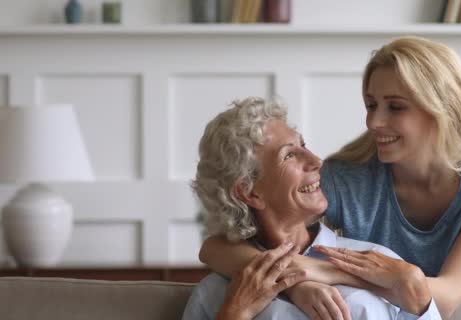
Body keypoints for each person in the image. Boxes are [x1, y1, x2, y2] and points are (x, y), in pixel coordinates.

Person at [199, 36, 461, 319]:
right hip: (402, 294)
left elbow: (450, 295)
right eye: (370, 104)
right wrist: (295, 283)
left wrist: (329, 272)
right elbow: (214, 248)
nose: (374, 122)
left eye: (395, 107)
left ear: (441, 109)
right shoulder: (348, 177)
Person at [182, 97, 441, 320]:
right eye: (289, 155)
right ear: (249, 192)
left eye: (303, 145)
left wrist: (415, 289)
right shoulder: (217, 292)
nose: (316, 161)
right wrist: (235, 313)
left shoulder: (378, 261)